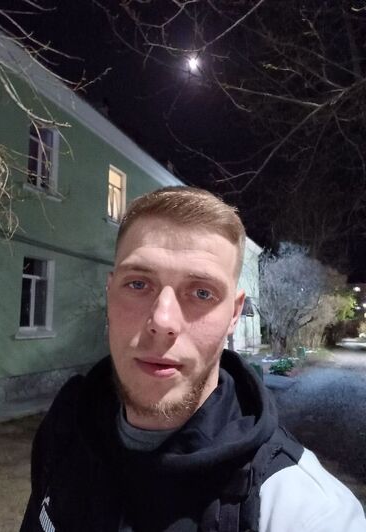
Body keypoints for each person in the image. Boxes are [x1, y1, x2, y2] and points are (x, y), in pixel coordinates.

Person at [21, 186, 366, 532]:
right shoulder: (65, 428)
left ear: (234, 314)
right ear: (109, 294)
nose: (163, 321)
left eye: (202, 292)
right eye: (138, 284)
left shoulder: (307, 511)